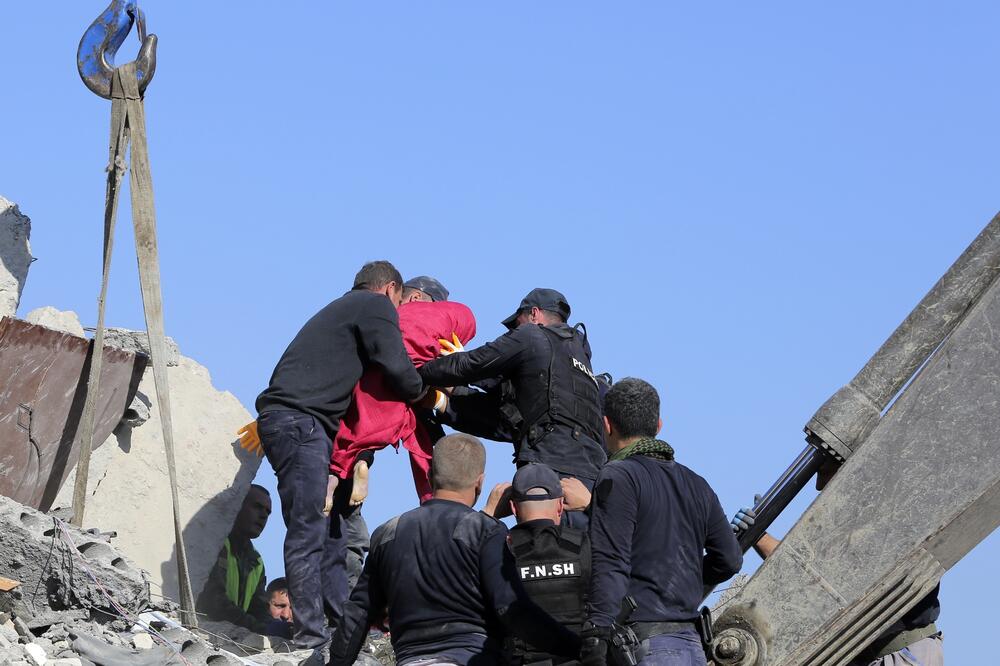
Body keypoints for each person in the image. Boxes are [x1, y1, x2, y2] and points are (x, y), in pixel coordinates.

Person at [255, 260, 425, 655]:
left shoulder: (344, 309)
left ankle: (337, 626)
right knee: (308, 530)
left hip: (296, 424)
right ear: (390, 290)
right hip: (302, 424)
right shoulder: (375, 306)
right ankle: (311, 637)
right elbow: (396, 366)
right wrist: (423, 389)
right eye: (400, 303)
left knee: (331, 537)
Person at [329, 434, 581, 666]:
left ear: (429, 476)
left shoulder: (387, 533)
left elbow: (359, 613)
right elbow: (511, 608)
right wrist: (576, 647)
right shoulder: (485, 531)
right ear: (479, 483)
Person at [582, 378, 742, 666]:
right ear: (658, 426)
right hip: (691, 646)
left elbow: (610, 563)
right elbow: (730, 559)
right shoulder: (698, 485)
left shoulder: (617, 477)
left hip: (645, 646)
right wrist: (684, 581)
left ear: (606, 425)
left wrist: (596, 635)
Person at [419, 288, 605, 528]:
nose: (513, 333)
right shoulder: (581, 368)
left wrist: (416, 372)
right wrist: (446, 401)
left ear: (534, 314)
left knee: (536, 553)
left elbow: (472, 364)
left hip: (547, 475)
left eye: (516, 325)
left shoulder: (532, 336)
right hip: (588, 487)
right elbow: (511, 414)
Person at [731, 463, 944, 666]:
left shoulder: (880, 517)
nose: (818, 486)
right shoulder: (860, 517)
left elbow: (813, 577)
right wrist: (758, 536)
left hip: (899, 654)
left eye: (823, 472)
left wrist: (758, 536)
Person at [331, 298, 477, 505]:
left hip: (387, 362)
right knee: (408, 423)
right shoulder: (454, 315)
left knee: (362, 422)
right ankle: (427, 496)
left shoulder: (393, 315)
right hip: (417, 367)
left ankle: (338, 473)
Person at [484, 463, 592, 666]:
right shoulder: (585, 544)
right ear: (560, 506)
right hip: (580, 659)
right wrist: (591, 505)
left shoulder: (498, 549)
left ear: (513, 508)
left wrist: (488, 514)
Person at [196, 485, 272, 633]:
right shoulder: (216, 544)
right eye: (257, 507)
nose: (263, 515)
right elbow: (213, 602)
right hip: (203, 631)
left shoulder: (256, 562)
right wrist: (258, 628)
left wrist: (272, 628)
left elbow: (259, 608)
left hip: (232, 637)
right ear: (238, 506)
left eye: (267, 512)